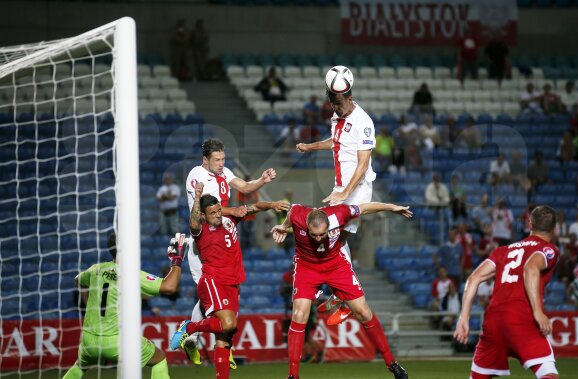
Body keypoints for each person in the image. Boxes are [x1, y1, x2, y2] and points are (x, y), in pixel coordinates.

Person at [271, 201, 412, 379]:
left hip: (336, 266)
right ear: (307, 226)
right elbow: (290, 214)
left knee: (363, 312)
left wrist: (391, 207)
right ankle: (293, 375)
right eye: (313, 235)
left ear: (329, 225)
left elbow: (365, 207)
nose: (318, 238)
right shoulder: (298, 214)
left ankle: (392, 364)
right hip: (307, 268)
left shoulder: (340, 213)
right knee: (299, 315)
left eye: (322, 234)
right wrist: (284, 227)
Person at [170, 187, 289, 379]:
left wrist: (272, 205)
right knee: (228, 324)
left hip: (233, 283)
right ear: (203, 215)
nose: (217, 215)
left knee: (225, 337)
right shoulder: (201, 230)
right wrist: (198, 197)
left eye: (218, 210)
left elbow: (255, 206)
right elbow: (192, 223)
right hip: (213, 281)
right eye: (212, 213)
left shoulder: (230, 219)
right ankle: (189, 327)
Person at [183, 138, 278, 366]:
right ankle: (192, 335)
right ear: (205, 160)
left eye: (223, 159)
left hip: (223, 235)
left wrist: (262, 181)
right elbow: (208, 210)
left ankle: (222, 344)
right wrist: (233, 210)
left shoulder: (224, 172)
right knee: (209, 295)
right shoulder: (196, 174)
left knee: (230, 288)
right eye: (216, 160)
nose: (221, 163)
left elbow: (244, 187)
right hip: (204, 242)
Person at [295, 86, 377, 319]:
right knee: (334, 236)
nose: (336, 110)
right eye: (333, 106)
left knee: (335, 235)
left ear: (350, 99)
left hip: (357, 188)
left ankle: (343, 293)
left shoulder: (363, 121)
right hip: (341, 187)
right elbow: (337, 141)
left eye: (339, 105)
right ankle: (342, 293)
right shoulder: (337, 115)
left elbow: (363, 164)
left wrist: (346, 193)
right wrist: (311, 146)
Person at [454, 205, 561, 379]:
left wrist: (463, 317)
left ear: (530, 223)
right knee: (548, 374)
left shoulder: (504, 250)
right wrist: (538, 312)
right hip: (521, 318)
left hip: (493, 321)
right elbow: (530, 268)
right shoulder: (548, 250)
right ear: (555, 228)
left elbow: (473, 279)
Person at [63, 232, 186, 379]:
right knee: (159, 359)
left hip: (89, 339)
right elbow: (170, 287)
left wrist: (87, 300)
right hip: (117, 341)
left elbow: (78, 280)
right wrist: (177, 260)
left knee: (80, 367)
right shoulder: (131, 274)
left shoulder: (96, 269)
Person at [236, 175, 259, 249]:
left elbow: (255, 201)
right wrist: (249, 199)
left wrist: (248, 199)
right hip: (243, 217)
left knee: (251, 237)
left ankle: (250, 251)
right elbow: (241, 202)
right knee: (243, 236)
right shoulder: (240, 191)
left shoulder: (253, 190)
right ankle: (244, 252)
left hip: (252, 218)